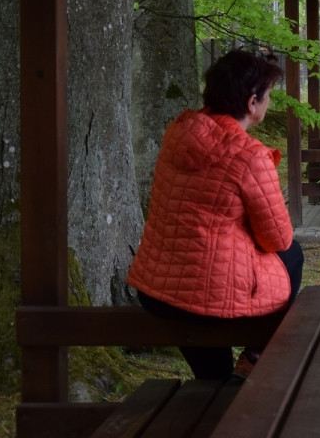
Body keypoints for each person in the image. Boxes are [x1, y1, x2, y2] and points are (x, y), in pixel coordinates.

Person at [127, 49, 304, 381]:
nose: (268, 103)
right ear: (253, 103)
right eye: (268, 96)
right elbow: (277, 238)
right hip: (203, 299)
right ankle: (256, 353)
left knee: (214, 381)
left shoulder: (177, 135)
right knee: (291, 255)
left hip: (155, 291)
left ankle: (216, 387)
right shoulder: (249, 155)